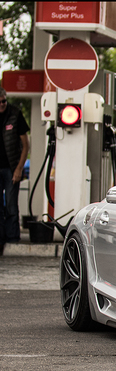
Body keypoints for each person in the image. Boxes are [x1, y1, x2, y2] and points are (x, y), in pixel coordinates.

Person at [0, 87, 30, 255]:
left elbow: (25, 145)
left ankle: (12, 239)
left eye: (4, 101)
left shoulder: (15, 114)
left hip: (11, 168)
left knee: (11, 204)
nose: (2, 105)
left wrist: (19, 168)